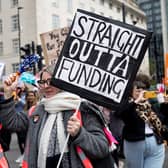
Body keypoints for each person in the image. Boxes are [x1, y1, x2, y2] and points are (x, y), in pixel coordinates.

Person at [0, 65, 113, 168]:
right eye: (42, 81)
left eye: (51, 81)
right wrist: (8, 94)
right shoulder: (38, 110)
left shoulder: (82, 108)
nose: (46, 86)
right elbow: (11, 122)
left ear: (63, 81)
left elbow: (101, 148)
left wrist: (79, 133)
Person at [116, 75, 165, 168]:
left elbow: (163, 119)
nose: (141, 93)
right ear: (131, 91)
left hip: (156, 143)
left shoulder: (150, 105)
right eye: (138, 90)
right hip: (134, 143)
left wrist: (164, 104)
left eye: (144, 90)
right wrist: (136, 101)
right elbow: (122, 115)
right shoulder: (127, 104)